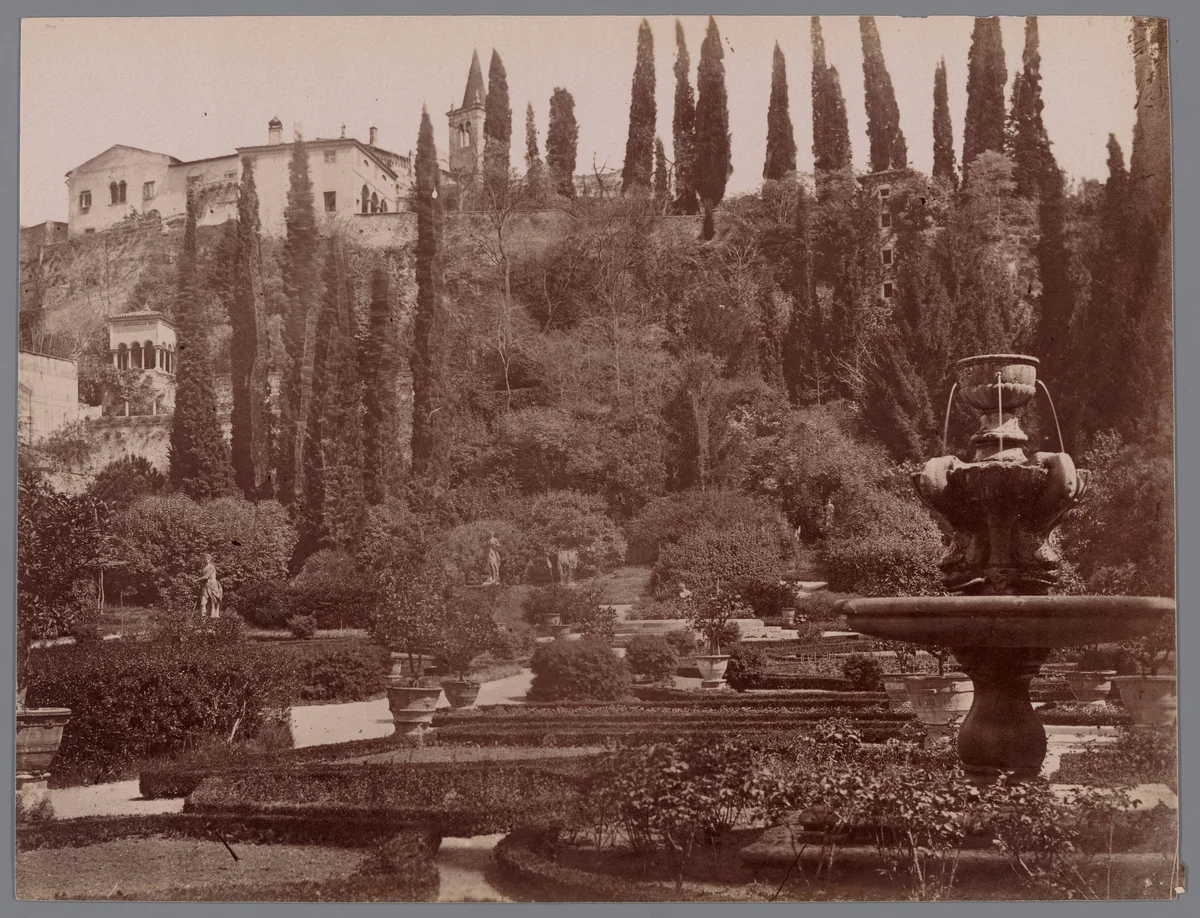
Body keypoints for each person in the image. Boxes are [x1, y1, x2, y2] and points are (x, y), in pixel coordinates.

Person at [198, 553, 222, 619]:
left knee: (213, 602)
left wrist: (196, 580)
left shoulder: (211, 567)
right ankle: (203, 617)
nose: (206, 560)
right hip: (206, 585)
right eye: (205, 558)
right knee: (203, 602)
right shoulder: (204, 568)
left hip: (212, 584)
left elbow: (206, 577)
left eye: (208, 558)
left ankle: (213, 617)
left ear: (210, 559)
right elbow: (203, 578)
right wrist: (200, 583)